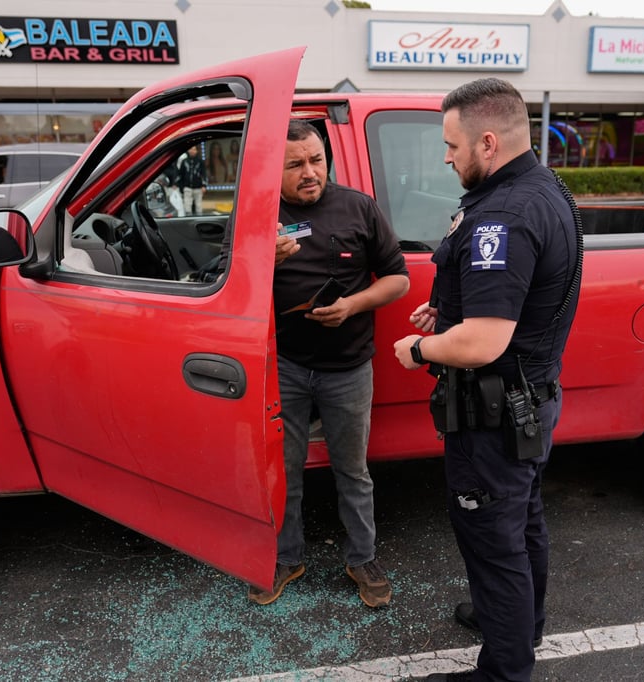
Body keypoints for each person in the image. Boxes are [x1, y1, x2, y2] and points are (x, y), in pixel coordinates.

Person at [394, 78, 582, 681]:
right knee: (522, 522)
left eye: (452, 145)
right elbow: (505, 303)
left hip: (494, 415)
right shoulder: (541, 188)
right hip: (527, 403)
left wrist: (422, 347)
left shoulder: (503, 213)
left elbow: (484, 340)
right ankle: (518, 623)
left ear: (489, 142)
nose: (446, 157)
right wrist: (445, 312)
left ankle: (505, 669)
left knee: (493, 542)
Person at [247, 120, 410, 608]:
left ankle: (362, 557)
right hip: (286, 365)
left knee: (352, 471)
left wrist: (353, 305)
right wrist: (262, 262)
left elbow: (398, 279)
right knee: (285, 469)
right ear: (273, 169)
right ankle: (286, 556)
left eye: (316, 160)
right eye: (295, 165)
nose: (309, 172)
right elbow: (228, 287)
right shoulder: (259, 215)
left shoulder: (357, 207)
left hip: (348, 367)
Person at [175, 145, 207, 215]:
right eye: (191, 149)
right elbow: (181, 174)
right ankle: (188, 222)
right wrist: (179, 185)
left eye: (194, 149)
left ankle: (199, 220)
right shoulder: (184, 161)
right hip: (187, 187)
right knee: (187, 206)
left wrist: (204, 185)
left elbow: (204, 174)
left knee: (198, 206)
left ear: (196, 151)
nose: (192, 151)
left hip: (198, 187)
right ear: (188, 150)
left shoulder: (200, 161)